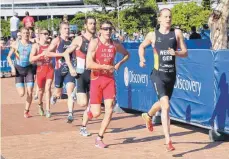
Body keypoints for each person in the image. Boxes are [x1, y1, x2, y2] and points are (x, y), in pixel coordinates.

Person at [138, 8, 188, 151]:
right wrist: (141, 58)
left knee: (161, 103)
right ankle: (168, 141)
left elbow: (185, 52)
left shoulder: (177, 33)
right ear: (159, 19)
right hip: (158, 75)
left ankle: (148, 115)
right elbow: (141, 46)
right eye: (165, 17)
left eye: (170, 17)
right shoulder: (153, 35)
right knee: (165, 106)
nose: (168, 19)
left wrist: (176, 53)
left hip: (171, 75)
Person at [86, 20, 129, 148]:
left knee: (109, 110)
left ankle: (99, 137)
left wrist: (118, 64)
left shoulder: (115, 44)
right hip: (96, 79)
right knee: (96, 114)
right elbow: (88, 64)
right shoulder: (95, 43)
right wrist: (104, 66)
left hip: (109, 80)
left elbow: (127, 54)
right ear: (100, 30)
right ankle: (90, 111)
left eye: (110, 29)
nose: (108, 31)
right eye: (105, 29)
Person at [63, 16, 97, 137]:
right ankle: (74, 93)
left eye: (94, 23)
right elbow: (66, 54)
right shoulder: (79, 39)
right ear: (85, 25)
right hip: (81, 74)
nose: (93, 25)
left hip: (94, 74)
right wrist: (71, 68)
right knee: (83, 103)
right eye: (90, 23)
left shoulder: (98, 40)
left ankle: (83, 127)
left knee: (91, 105)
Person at [46, 22, 75, 123]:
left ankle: (70, 113)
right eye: (65, 29)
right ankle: (54, 96)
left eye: (68, 28)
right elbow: (47, 53)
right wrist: (62, 54)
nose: (67, 30)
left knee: (70, 91)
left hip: (68, 70)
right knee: (58, 92)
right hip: (58, 70)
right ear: (60, 30)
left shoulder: (71, 42)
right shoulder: (57, 40)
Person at [7, 27, 34, 118]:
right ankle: (19, 85)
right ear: (21, 34)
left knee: (30, 92)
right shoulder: (16, 44)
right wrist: (12, 68)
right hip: (19, 70)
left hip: (29, 70)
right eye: (24, 33)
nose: (26, 34)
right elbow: (8, 57)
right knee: (21, 94)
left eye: (27, 33)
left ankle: (26, 111)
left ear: (29, 34)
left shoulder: (32, 45)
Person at [30, 28, 53, 118]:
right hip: (40, 70)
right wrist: (40, 55)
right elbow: (31, 59)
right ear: (39, 35)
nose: (46, 35)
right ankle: (40, 104)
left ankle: (48, 110)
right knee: (40, 91)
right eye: (44, 34)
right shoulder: (36, 46)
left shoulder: (50, 45)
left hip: (49, 69)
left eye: (48, 33)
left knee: (48, 88)